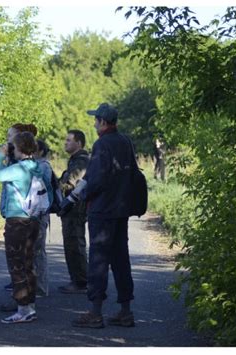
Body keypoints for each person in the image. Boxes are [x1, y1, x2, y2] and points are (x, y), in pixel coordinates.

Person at [72, 103, 135, 329]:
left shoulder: (102, 144)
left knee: (98, 260)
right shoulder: (126, 141)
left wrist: (81, 192)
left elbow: (96, 179)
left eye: (96, 120)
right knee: (121, 259)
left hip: (102, 210)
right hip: (121, 209)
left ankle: (95, 312)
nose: (94, 123)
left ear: (103, 122)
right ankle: (125, 311)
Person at [0, 131, 52, 324]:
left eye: (12, 146)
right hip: (33, 220)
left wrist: (0, 155)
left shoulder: (19, 169)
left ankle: (23, 309)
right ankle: (29, 306)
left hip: (17, 222)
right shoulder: (35, 166)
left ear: (20, 147)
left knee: (16, 265)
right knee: (28, 263)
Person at [57, 130, 90, 294]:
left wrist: (57, 186)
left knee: (74, 244)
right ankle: (78, 279)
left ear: (79, 143)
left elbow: (69, 184)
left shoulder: (82, 161)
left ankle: (81, 281)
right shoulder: (76, 160)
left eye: (69, 140)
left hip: (75, 209)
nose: (65, 143)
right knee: (72, 244)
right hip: (72, 209)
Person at [33, 139, 53, 297]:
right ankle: (36, 285)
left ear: (40, 151)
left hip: (40, 213)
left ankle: (41, 287)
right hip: (37, 212)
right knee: (34, 250)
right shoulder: (37, 165)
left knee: (39, 250)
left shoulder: (43, 166)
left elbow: (43, 187)